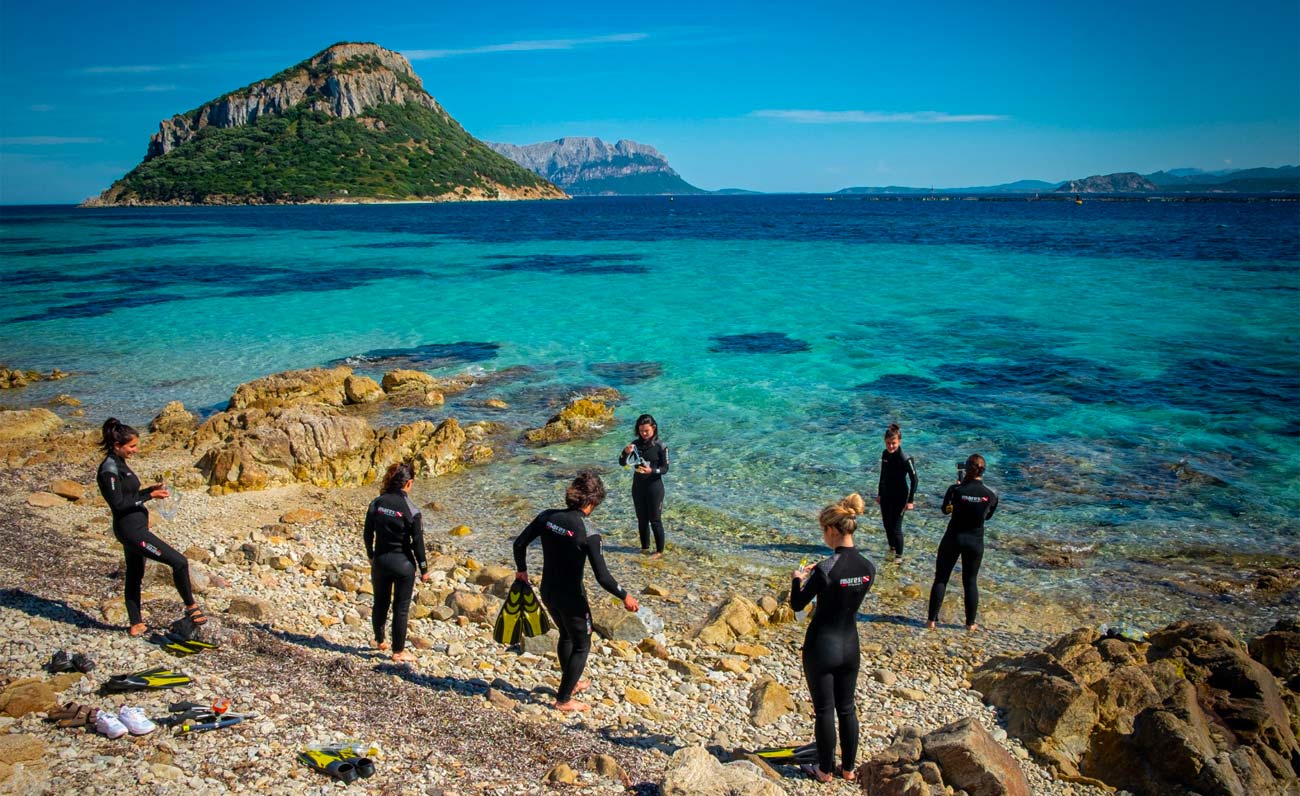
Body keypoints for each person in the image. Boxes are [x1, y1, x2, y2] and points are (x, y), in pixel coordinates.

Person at [513, 471, 639, 712]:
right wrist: (625, 596)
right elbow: (602, 577)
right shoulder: (589, 533)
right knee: (583, 644)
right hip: (572, 596)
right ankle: (563, 699)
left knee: (566, 634)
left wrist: (522, 571)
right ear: (591, 502)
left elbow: (519, 543)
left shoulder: (547, 517)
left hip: (548, 590)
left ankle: (572, 681)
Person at [790, 494, 875, 783]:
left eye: (822, 532)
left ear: (831, 530)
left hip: (821, 646)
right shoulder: (868, 568)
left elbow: (797, 604)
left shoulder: (825, 569)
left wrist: (797, 578)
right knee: (847, 708)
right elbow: (845, 586)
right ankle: (848, 769)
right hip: (850, 645)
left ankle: (824, 770)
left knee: (825, 710)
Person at [96, 418, 204, 637]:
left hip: (136, 529)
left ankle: (136, 623)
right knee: (179, 562)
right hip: (131, 532)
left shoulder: (119, 462)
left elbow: (129, 495)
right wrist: (148, 496)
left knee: (135, 574)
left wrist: (149, 490)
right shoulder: (108, 469)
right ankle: (191, 607)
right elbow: (117, 504)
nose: (135, 450)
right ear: (117, 446)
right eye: (132, 446)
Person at [364, 461, 430, 663]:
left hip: (381, 561)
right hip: (403, 564)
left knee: (380, 602)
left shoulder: (377, 503)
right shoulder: (411, 510)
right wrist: (424, 568)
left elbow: (367, 533)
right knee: (400, 608)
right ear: (408, 483)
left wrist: (371, 555)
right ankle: (398, 651)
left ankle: (379, 640)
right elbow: (418, 543)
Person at [927, 454, 999, 632]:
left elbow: (945, 510)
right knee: (970, 581)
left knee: (941, 578)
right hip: (974, 542)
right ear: (983, 471)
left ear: (966, 469)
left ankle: (931, 621)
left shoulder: (955, 490)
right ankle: (970, 624)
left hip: (953, 538)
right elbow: (987, 516)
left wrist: (959, 494)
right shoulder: (991, 495)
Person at [618, 413, 670, 558]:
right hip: (638, 487)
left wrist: (651, 470)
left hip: (655, 487)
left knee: (655, 520)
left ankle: (659, 551)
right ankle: (645, 548)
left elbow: (665, 469)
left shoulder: (661, 446)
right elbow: (622, 463)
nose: (644, 433)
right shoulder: (636, 445)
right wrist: (625, 452)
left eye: (646, 430)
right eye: (641, 431)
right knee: (642, 520)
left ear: (653, 428)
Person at [874, 423, 918, 564]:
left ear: (899, 442)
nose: (890, 446)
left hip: (900, 496)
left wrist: (910, 501)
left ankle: (899, 556)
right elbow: (883, 475)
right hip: (886, 494)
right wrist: (880, 493)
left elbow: (914, 480)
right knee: (887, 524)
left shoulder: (905, 458)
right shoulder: (885, 454)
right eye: (888, 443)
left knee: (896, 527)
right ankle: (892, 548)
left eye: (893, 443)